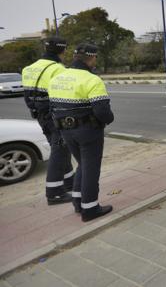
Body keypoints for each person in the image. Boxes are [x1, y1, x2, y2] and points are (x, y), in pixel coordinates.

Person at [48, 44, 114, 222]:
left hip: (65, 131)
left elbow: (51, 106)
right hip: (88, 131)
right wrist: (108, 120)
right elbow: (102, 111)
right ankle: (90, 209)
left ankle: (78, 201)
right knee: (91, 169)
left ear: (75, 57)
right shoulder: (92, 79)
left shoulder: (58, 77)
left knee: (83, 165)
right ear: (92, 59)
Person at [21, 37, 75, 204]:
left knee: (60, 148)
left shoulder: (28, 69)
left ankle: (69, 183)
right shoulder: (58, 69)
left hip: (40, 115)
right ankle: (54, 193)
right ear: (62, 50)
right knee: (59, 150)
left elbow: (27, 96)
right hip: (55, 116)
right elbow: (64, 96)